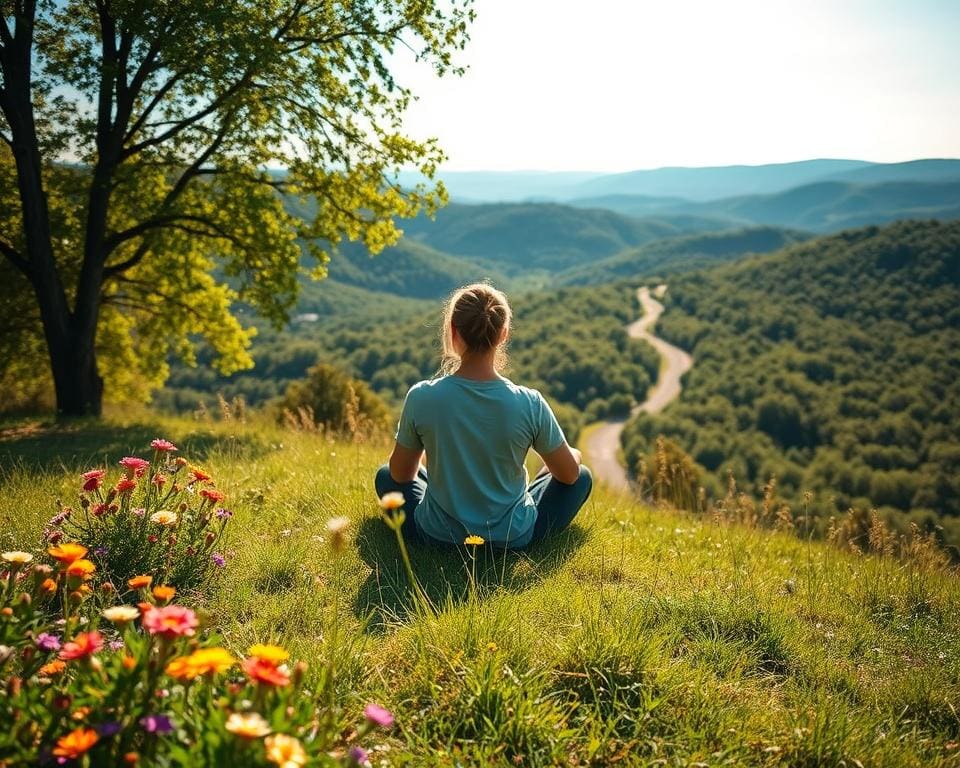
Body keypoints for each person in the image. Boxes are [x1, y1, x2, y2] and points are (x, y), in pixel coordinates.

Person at [374, 283, 593, 549]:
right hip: (511, 538)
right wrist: (573, 455)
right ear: (503, 334)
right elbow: (569, 475)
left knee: (385, 475)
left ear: (453, 330)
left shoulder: (422, 396)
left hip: (438, 536)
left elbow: (401, 475)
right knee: (581, 476)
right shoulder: (529, 402)